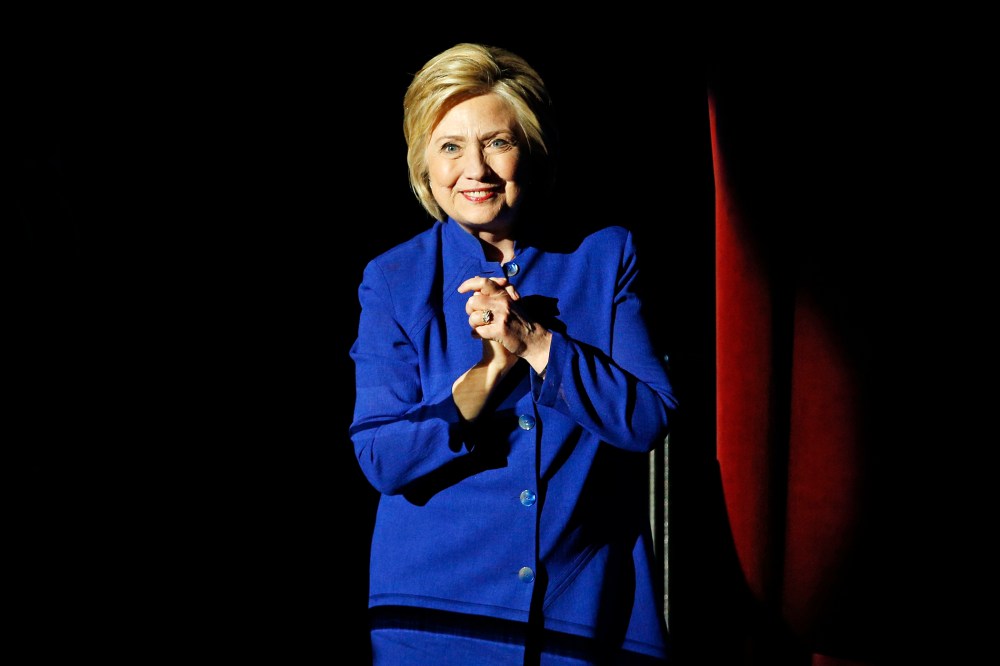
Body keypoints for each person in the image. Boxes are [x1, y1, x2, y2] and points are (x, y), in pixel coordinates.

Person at [348, 42, 678, 665]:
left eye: (497, 142)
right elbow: (382, 458)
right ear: (423, 163)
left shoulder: (603, 257)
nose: (475, 169)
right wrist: (488, 375)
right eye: (450, 147)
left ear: (535, 148)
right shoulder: (393, 277)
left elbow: (648, 418)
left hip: (582, 618)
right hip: (433, 619)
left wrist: (537, 344)